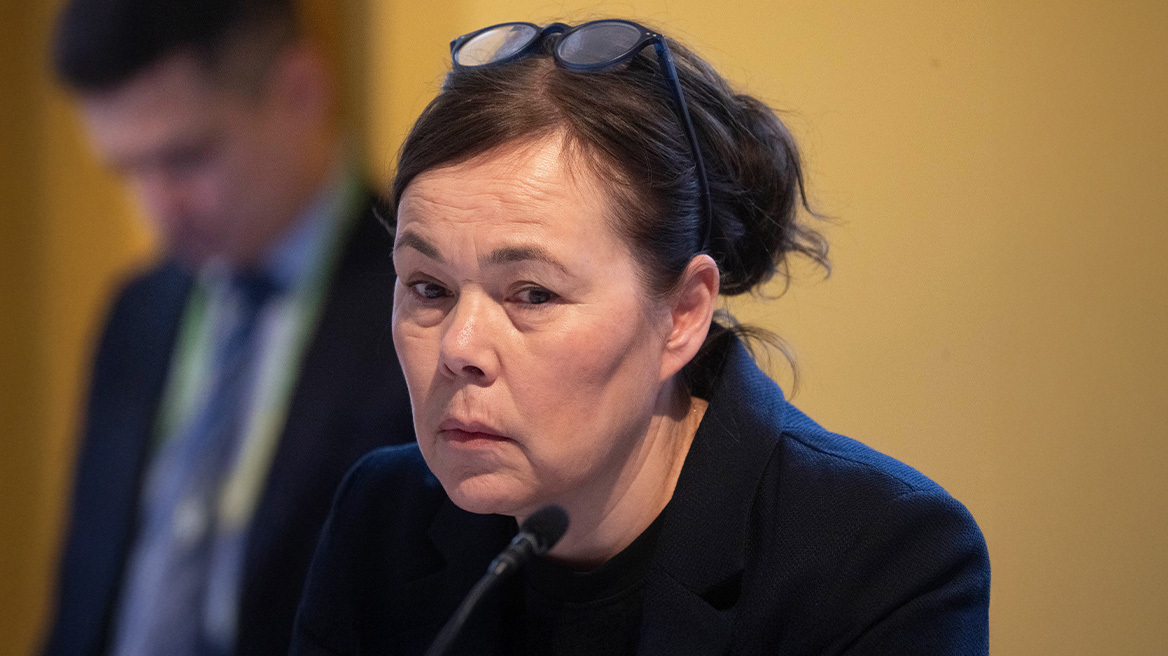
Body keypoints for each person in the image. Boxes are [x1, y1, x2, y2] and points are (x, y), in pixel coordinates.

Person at [291, 19, 990, 655]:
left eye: (532, 294)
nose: (458, 348)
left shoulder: (882, 559)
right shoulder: (383, 520)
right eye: (428, 289)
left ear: (683, 314)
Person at [43, 1, 414, 654]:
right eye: (128, 170)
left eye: (186, 157)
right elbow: (83, 605)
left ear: (300, 91)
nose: (157, 208)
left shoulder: (421, 313)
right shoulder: (135, 311)